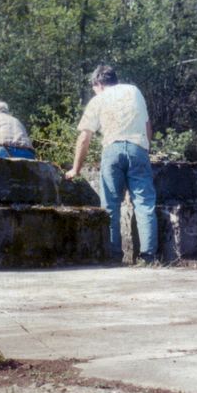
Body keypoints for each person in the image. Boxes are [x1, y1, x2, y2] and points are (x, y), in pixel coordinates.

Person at [65, 65, 158, 263]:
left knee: (110, 206)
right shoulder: (134, 91)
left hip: (112, 149)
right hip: (138, 148)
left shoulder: (98, 99)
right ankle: (149, 257)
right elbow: (147, 125)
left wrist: (76, 169)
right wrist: (144, 151)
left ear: (98, 83)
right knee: (144, 204)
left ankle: (114, 257)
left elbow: (84, 138)